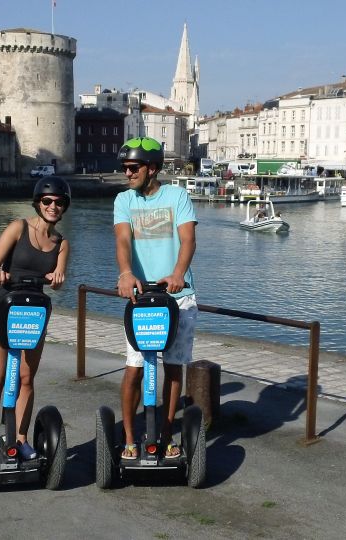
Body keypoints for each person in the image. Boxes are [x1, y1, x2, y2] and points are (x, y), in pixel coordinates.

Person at [0, 176, 71, 463]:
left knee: (26, 379)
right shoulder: (18, 227)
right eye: (48, 201)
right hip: (1, 305)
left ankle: (20, 439)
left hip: (33, 311)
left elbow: (59, 281)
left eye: (59, 203)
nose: (53, 206)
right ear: (38, 203)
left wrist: (57, 279)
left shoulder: (62, 244)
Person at [113, 137, 197, 460]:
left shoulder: (177, 196)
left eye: (133, 168)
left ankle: (165, 436)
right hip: (140, 296)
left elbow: (188, 240)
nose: (127, 173)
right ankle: (131, 438)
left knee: (174, 369)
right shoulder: (124, 201)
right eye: (125, 168)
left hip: (179, 296)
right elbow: (123, 240)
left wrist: (178, 273)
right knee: (135, 367)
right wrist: (125, 272)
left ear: (153, 168)